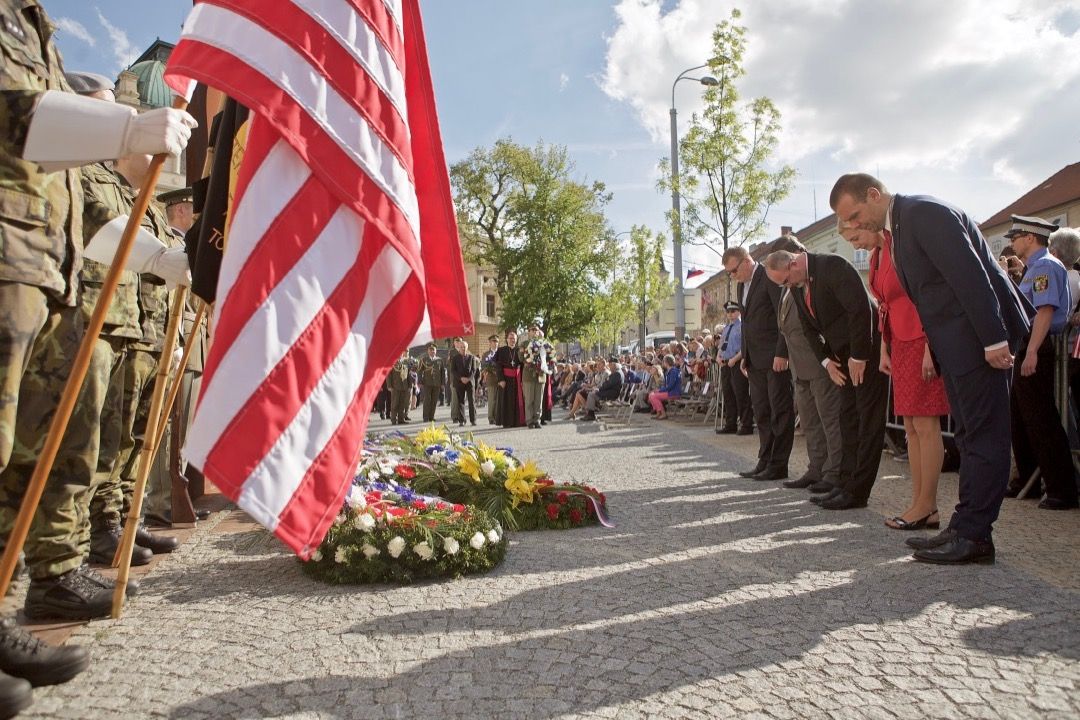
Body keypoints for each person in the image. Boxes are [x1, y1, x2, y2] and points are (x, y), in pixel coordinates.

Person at [0, 4, 195, 706]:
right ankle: (51, 567)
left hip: (57, 289)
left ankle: (59, 563)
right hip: (55, 291)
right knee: (48, 448)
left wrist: (166, 264)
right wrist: (119, 126)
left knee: (83, 446)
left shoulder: (32, 25)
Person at [831, 173, 1033, 564]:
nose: (853, 226)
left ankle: (975, 536)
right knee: (968, 435)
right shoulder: (899, 229)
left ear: (874, 195)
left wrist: (993, 339)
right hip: (957, 345)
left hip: (978, 341)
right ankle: (963, 526)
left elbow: (969, 276)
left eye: (854, 215)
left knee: (984, 434)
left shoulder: (922, 213)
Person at [840, 225, 950, 528]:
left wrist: (931, 345)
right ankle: (920, 503)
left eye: (855, 237)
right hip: (900, 341)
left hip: (920, 338)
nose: (856, 246)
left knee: (926, 424)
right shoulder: (877, 254)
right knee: (911, 427)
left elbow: (927, 295)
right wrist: (885, 346)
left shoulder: (900, 245)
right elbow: (884, 306)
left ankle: (927, 505)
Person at [765, 249, 888, 508]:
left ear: (794, 263)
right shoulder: (798, 286)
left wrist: (859, 357)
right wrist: (826, 361)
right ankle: (843, 484)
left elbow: (860, 311)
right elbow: (810, 328)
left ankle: (858, 491)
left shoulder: (834, 266)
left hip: (866, 351)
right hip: (841, 357)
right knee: (847, 418)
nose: (787, 287)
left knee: (868, 420)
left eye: (785, 281)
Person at [1004, 216, 1078, 510]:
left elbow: (1045, 311)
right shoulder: (1036, 267)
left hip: (1039, 344)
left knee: (1041, 418)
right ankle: (1028, 480)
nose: (1011, 242)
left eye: (1016, 236)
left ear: (1031, 237)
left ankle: (1061, 489)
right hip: (1030, 344)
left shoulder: (1046, 265)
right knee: (1022, 418)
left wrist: (1032, 350)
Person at [767, 237, 846, 493]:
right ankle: (816, 468)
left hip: (819, 364)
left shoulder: (808, 281)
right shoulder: (787, 288)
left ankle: (834, 472)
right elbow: (785, 329)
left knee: (829, 420)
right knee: (810, 421)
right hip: (799, 367)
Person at [721, 246, 794, 480]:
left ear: (745, 262)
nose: (732, 276)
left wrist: (782, 353)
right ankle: (765, 459)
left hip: (774, 358)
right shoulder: (742, 285)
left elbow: (781, 316)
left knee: (779, 411)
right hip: (754, 360)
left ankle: (778, 464)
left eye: (733, 270)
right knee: (761, 411)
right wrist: (745, 354)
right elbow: (747, 324)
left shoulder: (768, 276)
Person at [716, 302, 753, 435]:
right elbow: (721, 345)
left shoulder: (742, 326)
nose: (730, 314)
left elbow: (745, 346)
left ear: (739, 312)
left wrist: (735, 359)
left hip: (736, 363)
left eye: (733, 311)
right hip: (725, 363)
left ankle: (746, 424)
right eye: (728, 312)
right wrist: (718, 356)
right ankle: (730, 423)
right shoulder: (726, 327)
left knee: (741, 394)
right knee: (728, 395)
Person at [519, 324, 552, 429]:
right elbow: (520, 358)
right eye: (532, 330)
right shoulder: (524, 344)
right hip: (528, 375)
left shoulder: (544, 344)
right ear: (528, 332)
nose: (534, 332)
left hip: (540, 375)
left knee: (539, 399)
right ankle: (529, 421)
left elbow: (550, 356)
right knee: (529, 400)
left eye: (536, 331)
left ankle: (537, 419)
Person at [494, 330, 524, 427]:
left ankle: (516, 422)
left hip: (517, 379)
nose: (512, 340)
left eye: (514, 339)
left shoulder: (520, 350)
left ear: (516, 340)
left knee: (516, 400)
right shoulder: (501, 350)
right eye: (510, 338)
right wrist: (500, 379)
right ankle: (506, 422)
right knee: (506, 401)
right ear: (507, 340)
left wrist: (522, 380)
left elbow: (523, 366)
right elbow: (498, 366)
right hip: (505, 379)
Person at [450, 339, 478, 426]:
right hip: (459, 382)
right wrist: (461, 378)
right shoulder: (455, 358)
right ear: (459, 348)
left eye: (464, 347)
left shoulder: (471, 357)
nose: (463, 348)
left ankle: (473, 420)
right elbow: (453, 370)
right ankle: (462, 420)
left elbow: (474, 370)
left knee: (471, 401)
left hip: (469, 383)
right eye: (461, 347)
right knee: (460, 401)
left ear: (467, 348)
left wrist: (468, 378)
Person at [416, 342, 446, 423]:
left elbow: (442, 372)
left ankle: (431, 416)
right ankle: (425, 417)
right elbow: (419, 371)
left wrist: (443, 383)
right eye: (430, 350)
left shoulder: (440, 360)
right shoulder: (424, 360)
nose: (432, 351)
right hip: (427, 383)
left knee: (434, 400)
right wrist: (419, 381)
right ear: (428, 351)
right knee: (427, 400)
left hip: (437, 383)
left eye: (434, 350)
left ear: (436, 351)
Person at [648, 355, 682, 419]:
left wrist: (660, 390)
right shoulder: (668, 371)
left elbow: (671, 386)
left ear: (666, 362)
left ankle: (663, 414)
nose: (663, 363)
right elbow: (667, 385)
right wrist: (660, 390)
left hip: (673, 393)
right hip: (669, 391)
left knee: (653, 396)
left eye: (663, 361)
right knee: (651, 394)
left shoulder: (674, 371)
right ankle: (658, 413)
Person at [481, 335, 502, 425]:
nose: (495, 343)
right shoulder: (486, 354)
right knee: (492, 399)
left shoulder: (501, 353)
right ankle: (491, 417)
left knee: (498, 400)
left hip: (500, 379)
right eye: (493, 341)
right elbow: (483, 366)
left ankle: (497, 417)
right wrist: (490, 370)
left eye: (496, 341)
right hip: (491, 378)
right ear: (490, 343)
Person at [387, 351, 411, 424]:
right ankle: (393, 419)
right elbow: (388, 375)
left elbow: (408, 375)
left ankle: (401, 419)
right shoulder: (392, 363)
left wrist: (409, 385)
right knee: (395, 404)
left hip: (404, 386)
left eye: (401, 354)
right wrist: (389, 386)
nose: (400, 355)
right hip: (395, 386)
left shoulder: (405, 363)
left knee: (402, 404)